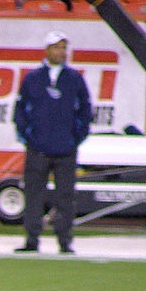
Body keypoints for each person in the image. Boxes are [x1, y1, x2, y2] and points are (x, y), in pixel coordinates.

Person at [12, 30, 91, 253]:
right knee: (34, 195)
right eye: (57, 47)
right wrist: (27, 135)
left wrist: (77, 136)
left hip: (65, 149)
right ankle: (32, 239)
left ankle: (64, 241)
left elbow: (85, 109)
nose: (61, 52)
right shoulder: (33, 78)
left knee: (66, 196)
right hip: (38, 148)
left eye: (64, 48)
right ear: (47, 50)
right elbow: (20, 109)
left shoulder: (74, 79)